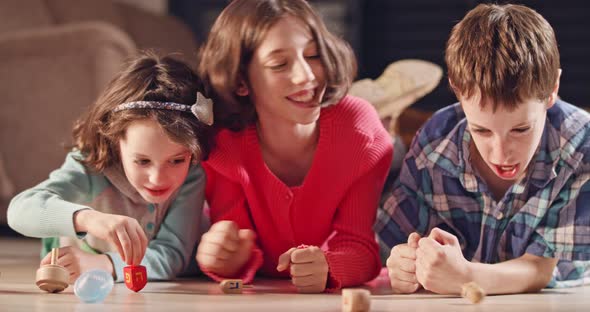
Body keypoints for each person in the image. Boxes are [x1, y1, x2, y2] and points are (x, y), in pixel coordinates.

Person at [376, 3, 590, 295]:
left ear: (552, 90)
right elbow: (394, 241)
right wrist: (405, 263)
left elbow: (540, 269)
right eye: (481, 130)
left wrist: (466, 275)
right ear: (457, 91)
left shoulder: (581, 144)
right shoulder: (435, 145)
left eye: (520, 129)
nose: (501, 154)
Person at [195, 0, 393, 293]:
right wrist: (225, 258)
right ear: (240, 81)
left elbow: (361, 248)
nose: (307, 76)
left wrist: (330, 266)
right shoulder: (222, 145)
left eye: (313, 55)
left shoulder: (359, 133)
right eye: (279, 64)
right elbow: (234, 245)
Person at [7, 52, 214, 283]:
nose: (157, 178)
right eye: (142, 161)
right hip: (69, 269)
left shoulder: (192, 176)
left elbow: (171, 254)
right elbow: (19, 211)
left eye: (177, 160)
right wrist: (89, 219)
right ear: (116, 141)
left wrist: (104, 264)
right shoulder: (90, 167)